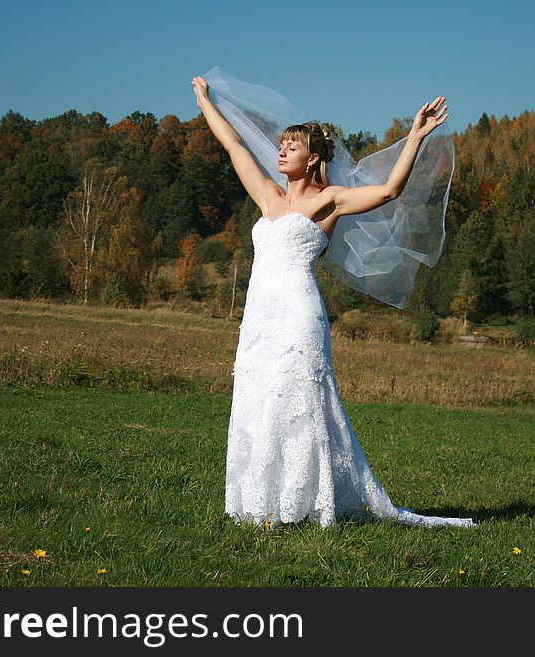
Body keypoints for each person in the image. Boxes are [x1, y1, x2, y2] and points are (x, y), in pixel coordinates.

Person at [192, 70, 475, 529]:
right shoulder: (268, 198)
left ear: (313, 159)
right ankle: (261, 503)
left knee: (300, 404)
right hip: (259, 318)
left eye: (292, 147)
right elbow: (234, 148)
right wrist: (206, 104)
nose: (280, 150)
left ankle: (306, 504)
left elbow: (388, 190)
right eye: (281, 145)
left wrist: (415, 135)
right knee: (258, 398)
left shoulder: (332, 200)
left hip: (299, 314)